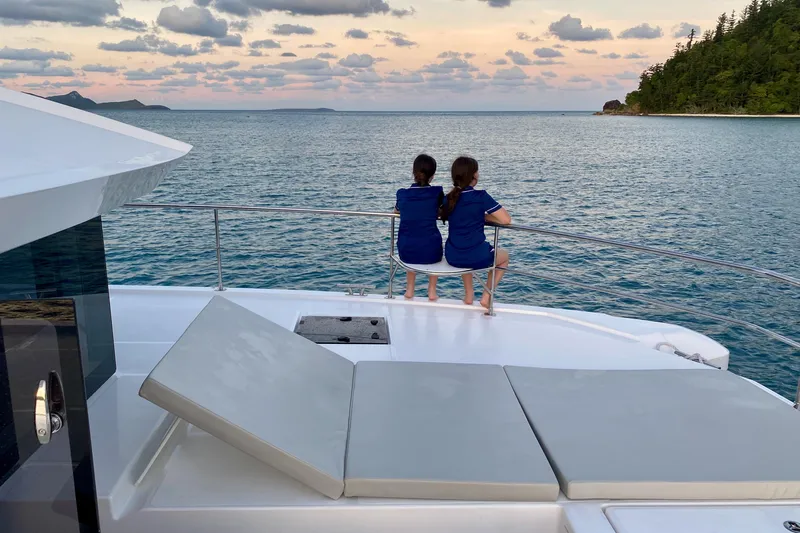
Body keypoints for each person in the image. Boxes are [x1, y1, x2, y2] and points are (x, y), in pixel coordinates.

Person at [440, 156, 511, 308]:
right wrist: (483, 216)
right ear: (474, 175)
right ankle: (486, 296)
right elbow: (505, 220)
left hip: (453, 256)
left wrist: (478, 215)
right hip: (477, 256)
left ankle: (468, 295)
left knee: (463, 246)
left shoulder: (448, 199)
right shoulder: (481, 196)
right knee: (504, 257)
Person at [394, 154, 444, 301]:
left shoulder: (402, 194)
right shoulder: (437, 193)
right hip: (431, 250)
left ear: (413, 172)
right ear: (432, 176)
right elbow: (443, 210)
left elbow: (396, 210)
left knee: (413, 239)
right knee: (430, 242)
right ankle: (432, 291)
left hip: (406, 250)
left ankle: (409, 290)